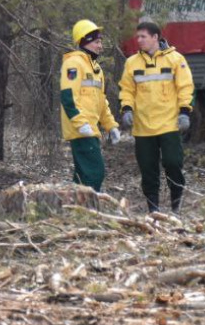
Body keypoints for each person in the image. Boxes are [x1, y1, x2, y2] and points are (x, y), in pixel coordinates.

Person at [119, 21, 195, 213]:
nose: (139, 40)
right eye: (138, 37)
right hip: (143, 127)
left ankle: (177, 206)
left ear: (155, 37)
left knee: (173, 164)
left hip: (169, 124)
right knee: (148, 170)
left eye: (143, 36)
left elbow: (185, 87)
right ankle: (153, 210)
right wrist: (127, 109)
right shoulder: (132, 63)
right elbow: (127, 89)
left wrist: (185, 112)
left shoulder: (176, 59)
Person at [59, 20, 120, 193]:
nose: (101, 46)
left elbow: (102, 102)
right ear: (85, 41)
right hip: (80, 129)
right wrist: (81, 124)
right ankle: (87, 208)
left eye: (100, 41)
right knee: (95, 172)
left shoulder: (96, 69)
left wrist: (111, 126)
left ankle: (75, 208)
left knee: (82, 174)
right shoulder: (73, 64)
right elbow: (68, 97)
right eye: (97, 42)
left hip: (90, 129)